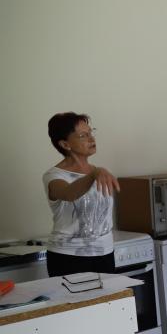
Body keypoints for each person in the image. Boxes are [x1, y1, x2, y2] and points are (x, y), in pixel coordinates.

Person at [43, 112, 119, 277]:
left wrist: (95, 173)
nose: (92, 139)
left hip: (105, 253)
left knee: (109, 303)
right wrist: (93, 175)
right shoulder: (54, 176)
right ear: (65, 144)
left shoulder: (98, 172)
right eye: (83, 135)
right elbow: (69, 193)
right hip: (68, 256)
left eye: (91, 133)